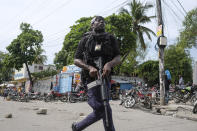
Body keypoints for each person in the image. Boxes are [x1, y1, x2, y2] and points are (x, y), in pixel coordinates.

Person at [73, 16, 121, 131]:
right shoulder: (85, 39)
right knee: (102, 108)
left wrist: (109, 64)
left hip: (105, 79)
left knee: (105, 107)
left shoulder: (111, 38)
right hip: (90, 81)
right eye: (97, 20)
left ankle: (77, 127)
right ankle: (78, 127)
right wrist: (89, 67)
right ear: (92, 25)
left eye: (102, 20)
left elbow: (118, 57)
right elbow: (76, 59)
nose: (101, 22)